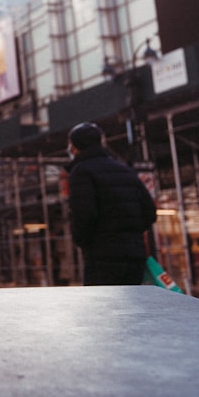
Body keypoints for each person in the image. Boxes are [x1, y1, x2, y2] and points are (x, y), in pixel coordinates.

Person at [65, 122, 157, 285]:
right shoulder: (124, 169)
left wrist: (86, 241)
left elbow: (84, 214)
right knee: (131, 307)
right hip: (134, 257)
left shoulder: (81, 172)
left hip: (102, 258)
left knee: (101, 307)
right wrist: (129, 232)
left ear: (75, 146)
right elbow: (149, 211)